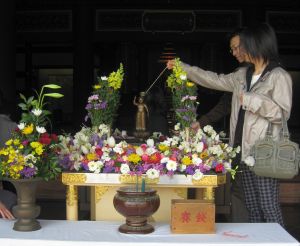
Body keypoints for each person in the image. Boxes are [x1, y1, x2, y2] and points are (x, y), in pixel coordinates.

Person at [167, 23, 292, 226]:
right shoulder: (242, 75)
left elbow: (282, 114)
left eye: (242, 46)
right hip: (243, 151)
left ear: (255, 44)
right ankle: (256, 241)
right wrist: (184, 68)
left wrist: (252, 100)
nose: (237, 52)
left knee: (268, 207)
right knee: (251, 206)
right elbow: (213, 79)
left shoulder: (279, 76)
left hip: (264, 152)